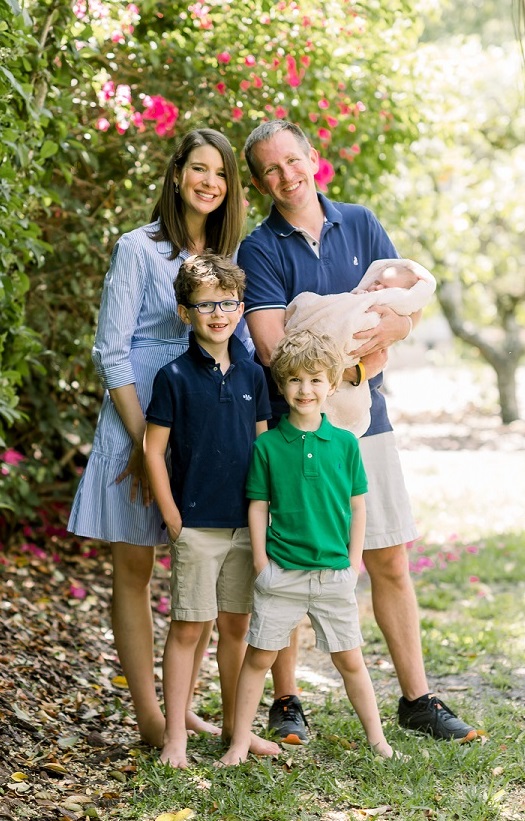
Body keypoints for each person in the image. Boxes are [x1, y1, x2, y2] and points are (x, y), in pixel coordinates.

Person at [237, 119, 478, 745]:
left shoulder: (361, 222)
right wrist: (350, 362)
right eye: (271, 169)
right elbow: (269, 345)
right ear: (259, 180)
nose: (287, 176)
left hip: (366, 421)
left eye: (293, 160)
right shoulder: (259, 248)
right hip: (295, 428)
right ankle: (287, 702)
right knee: (290, 558)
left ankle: (418, 700)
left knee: (390, 557)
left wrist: (371, 351)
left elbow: (403, 313)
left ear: (312, 157)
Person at [67, 128, 248, 748]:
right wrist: (147, 446)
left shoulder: (229, 253)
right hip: (138, 412)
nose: (209, 182)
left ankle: (182, 710)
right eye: (199, 169)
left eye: (220, 173)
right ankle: (149, 716)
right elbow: (110, 351)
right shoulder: (138, 248)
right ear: (177, 176)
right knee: (136, 565)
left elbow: (240, 343)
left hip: (204, 421)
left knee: (199, 564)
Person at [219, 330, 394, 765]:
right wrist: (261, 560)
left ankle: (379, 742)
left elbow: (359, 508)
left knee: (350, 660)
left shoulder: (346, 444)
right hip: (283, 572)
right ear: (280, 386)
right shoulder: (268, 446)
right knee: (259, 658)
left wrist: (354, 562)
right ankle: (240, 742)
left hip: (334, 572)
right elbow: (258, 506)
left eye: (316, 380)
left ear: (332, 385)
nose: (305, 389)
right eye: (295, 380)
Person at [143, 253, 279, 768]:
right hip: (195, 526)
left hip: (246, 527)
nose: (217, 313)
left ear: (241, 308)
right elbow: (154, 450)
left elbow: (264, 451)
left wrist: (266, 517)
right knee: (187, 627)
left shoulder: (252, 373)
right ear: (185, 313)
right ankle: (175, 735)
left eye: (226, 303)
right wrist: (173, 516)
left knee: (237, 629)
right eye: (205, 305)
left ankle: (234, 730)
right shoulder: (173, 376)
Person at [285, 258, 436, 436]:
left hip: (373, 413)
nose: (377, 289)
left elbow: (415, 308)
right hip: (306, 390)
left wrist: (403, 326)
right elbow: (271, 351)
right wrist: (359, 372)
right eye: (377, 282)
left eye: (386, 289)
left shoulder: (369, 231)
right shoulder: (357, 298)